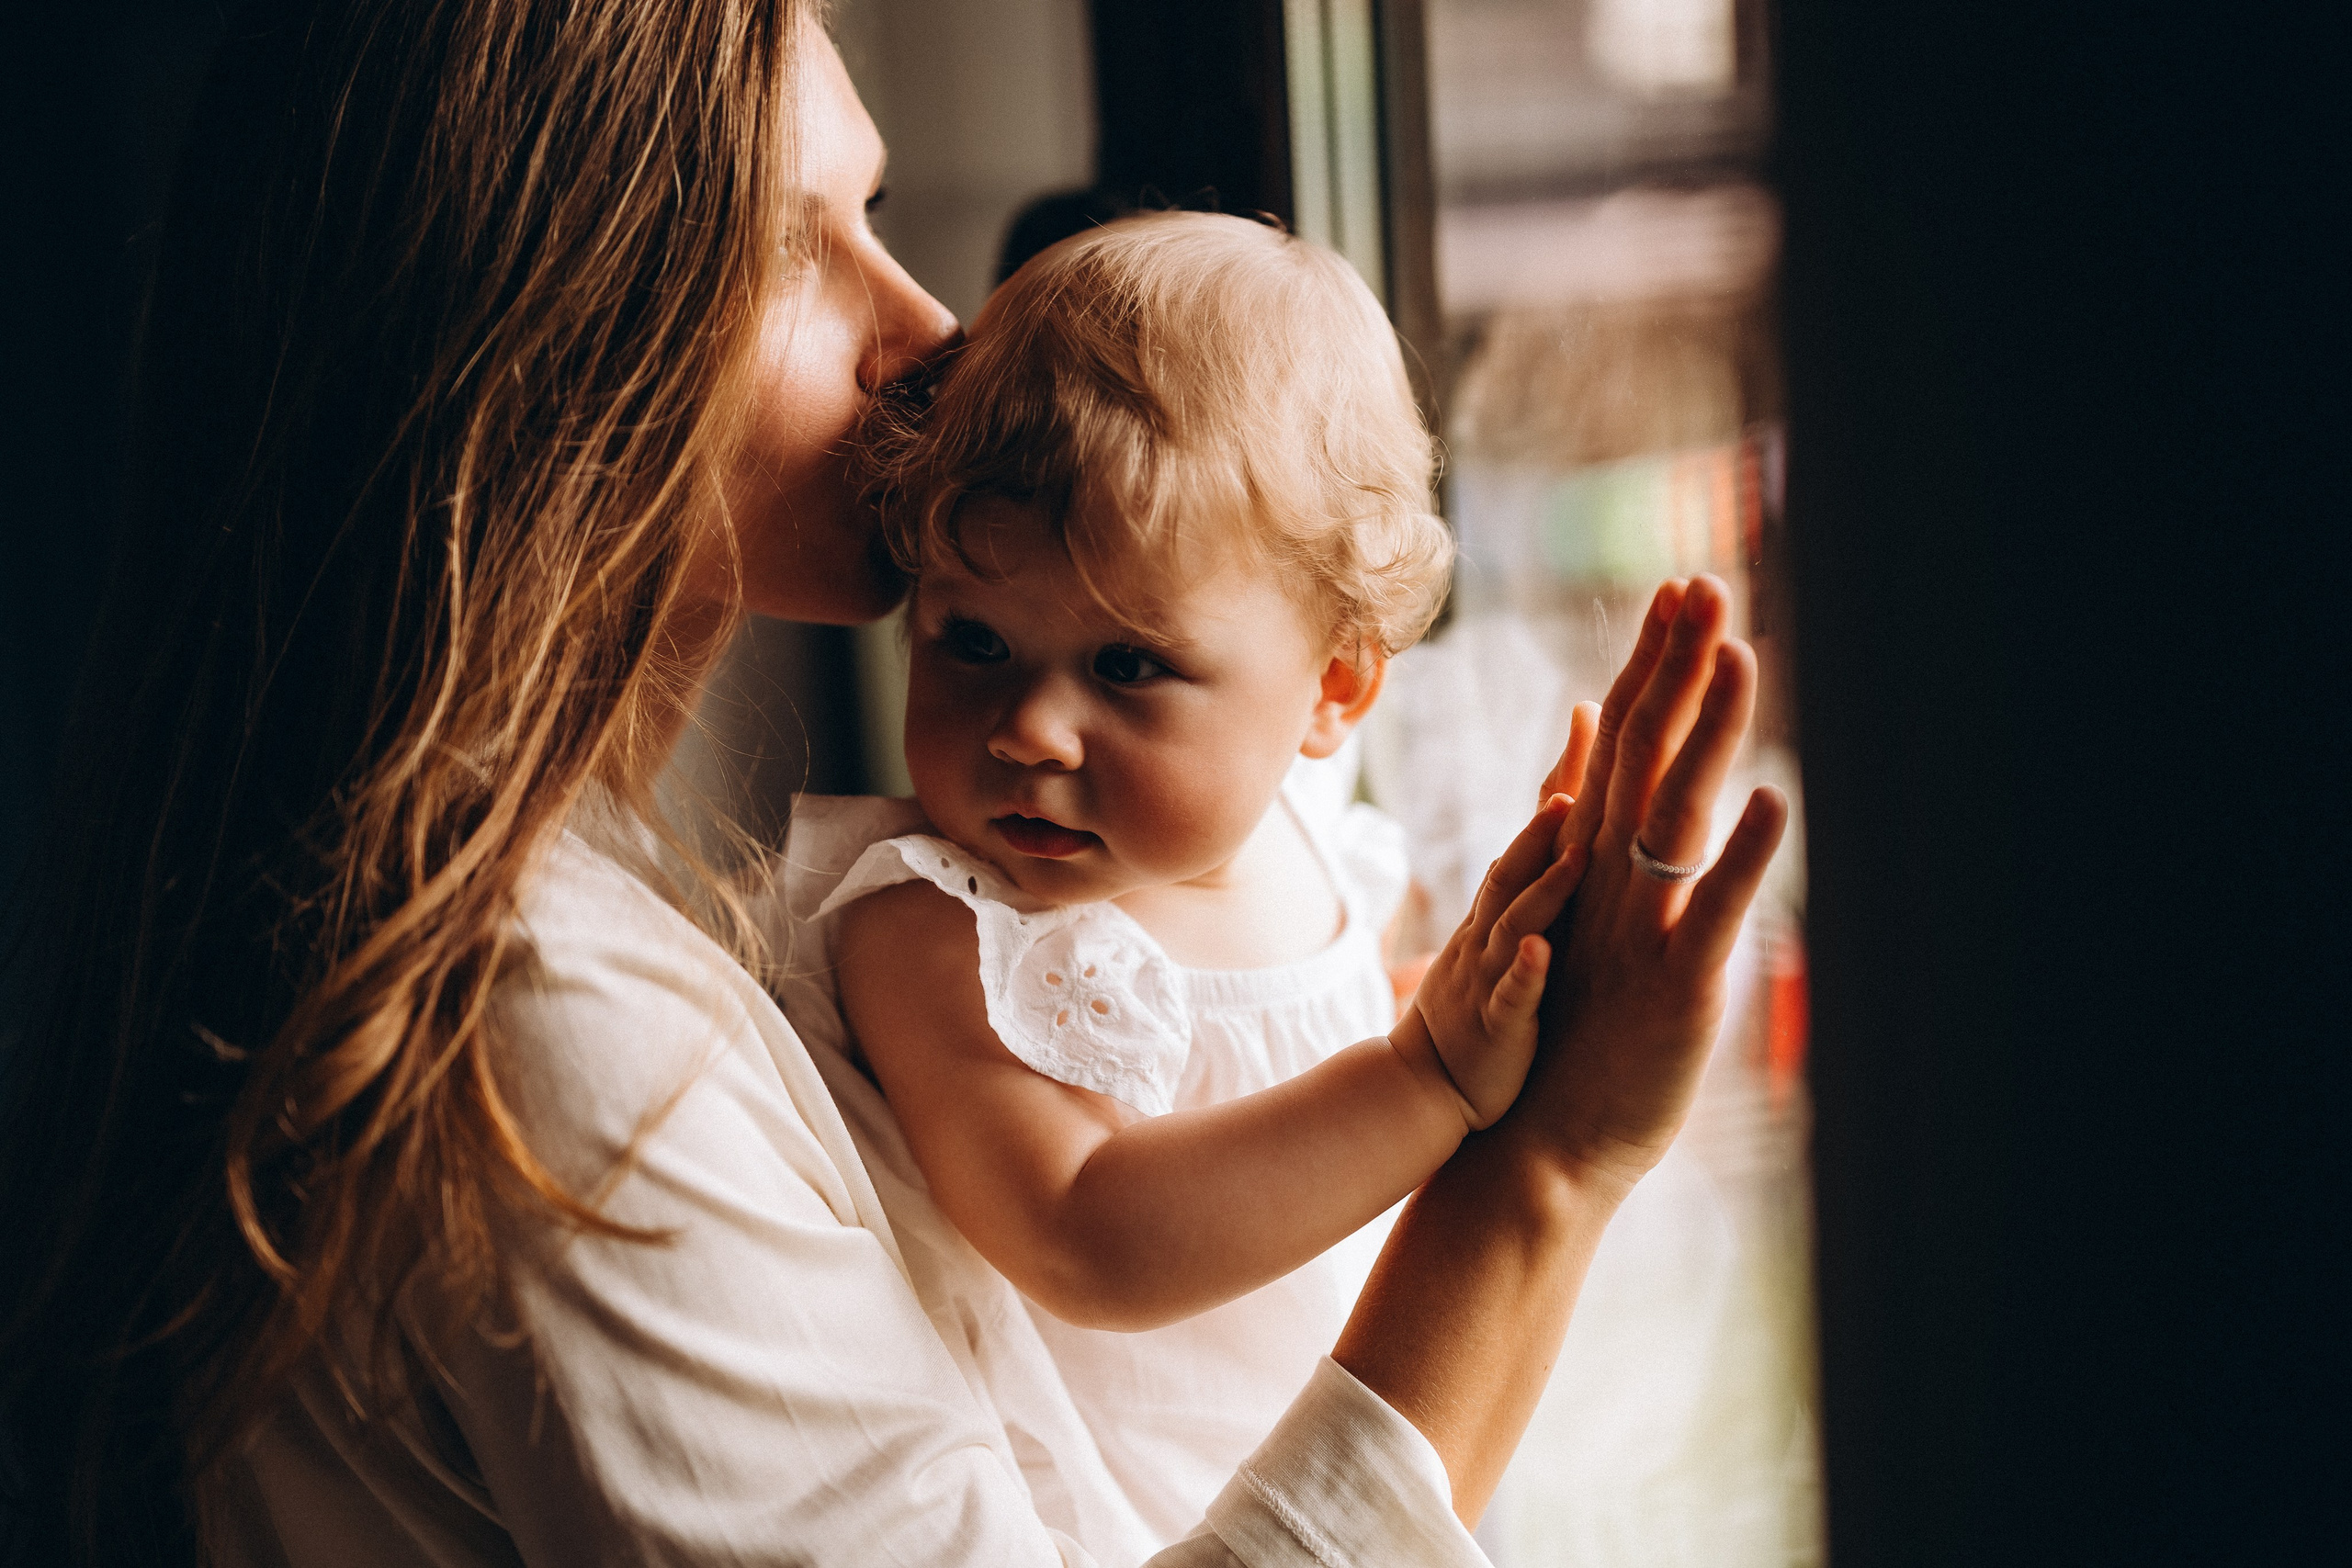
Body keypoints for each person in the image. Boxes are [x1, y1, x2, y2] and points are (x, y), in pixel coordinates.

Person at [0, 3, 1786, 1564]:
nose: (927, 329)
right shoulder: (535, 1030)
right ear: (559, 337)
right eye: (808, 246)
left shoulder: (543, 935)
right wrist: (1544, 1164)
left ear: (1331, 691)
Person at [773, 209, 1587, 1544]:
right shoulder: (939, 923)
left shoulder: (1315, 836)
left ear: (1333, 689)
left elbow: (1283, 1053)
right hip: (1168, 1534)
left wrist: (1475, 1004)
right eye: (971, 640)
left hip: (1377, 1488)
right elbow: (1082, 1234)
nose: (1029, 729)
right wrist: (1423, 1080)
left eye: (1126, 665)